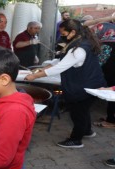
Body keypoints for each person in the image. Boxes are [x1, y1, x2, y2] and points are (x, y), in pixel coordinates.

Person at [25, 19, 106, 148]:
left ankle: (75, 140)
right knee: (83, 110)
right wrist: (43, 69)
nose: (62, 36)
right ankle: (87, 131)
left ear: (73, 32)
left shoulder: (78, 49)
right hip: (92, 84)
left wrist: (34, 76)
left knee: (77, 113)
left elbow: (60, 67)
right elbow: (61, 60)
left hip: (84, 86)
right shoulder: (81, 43)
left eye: (63, 34)